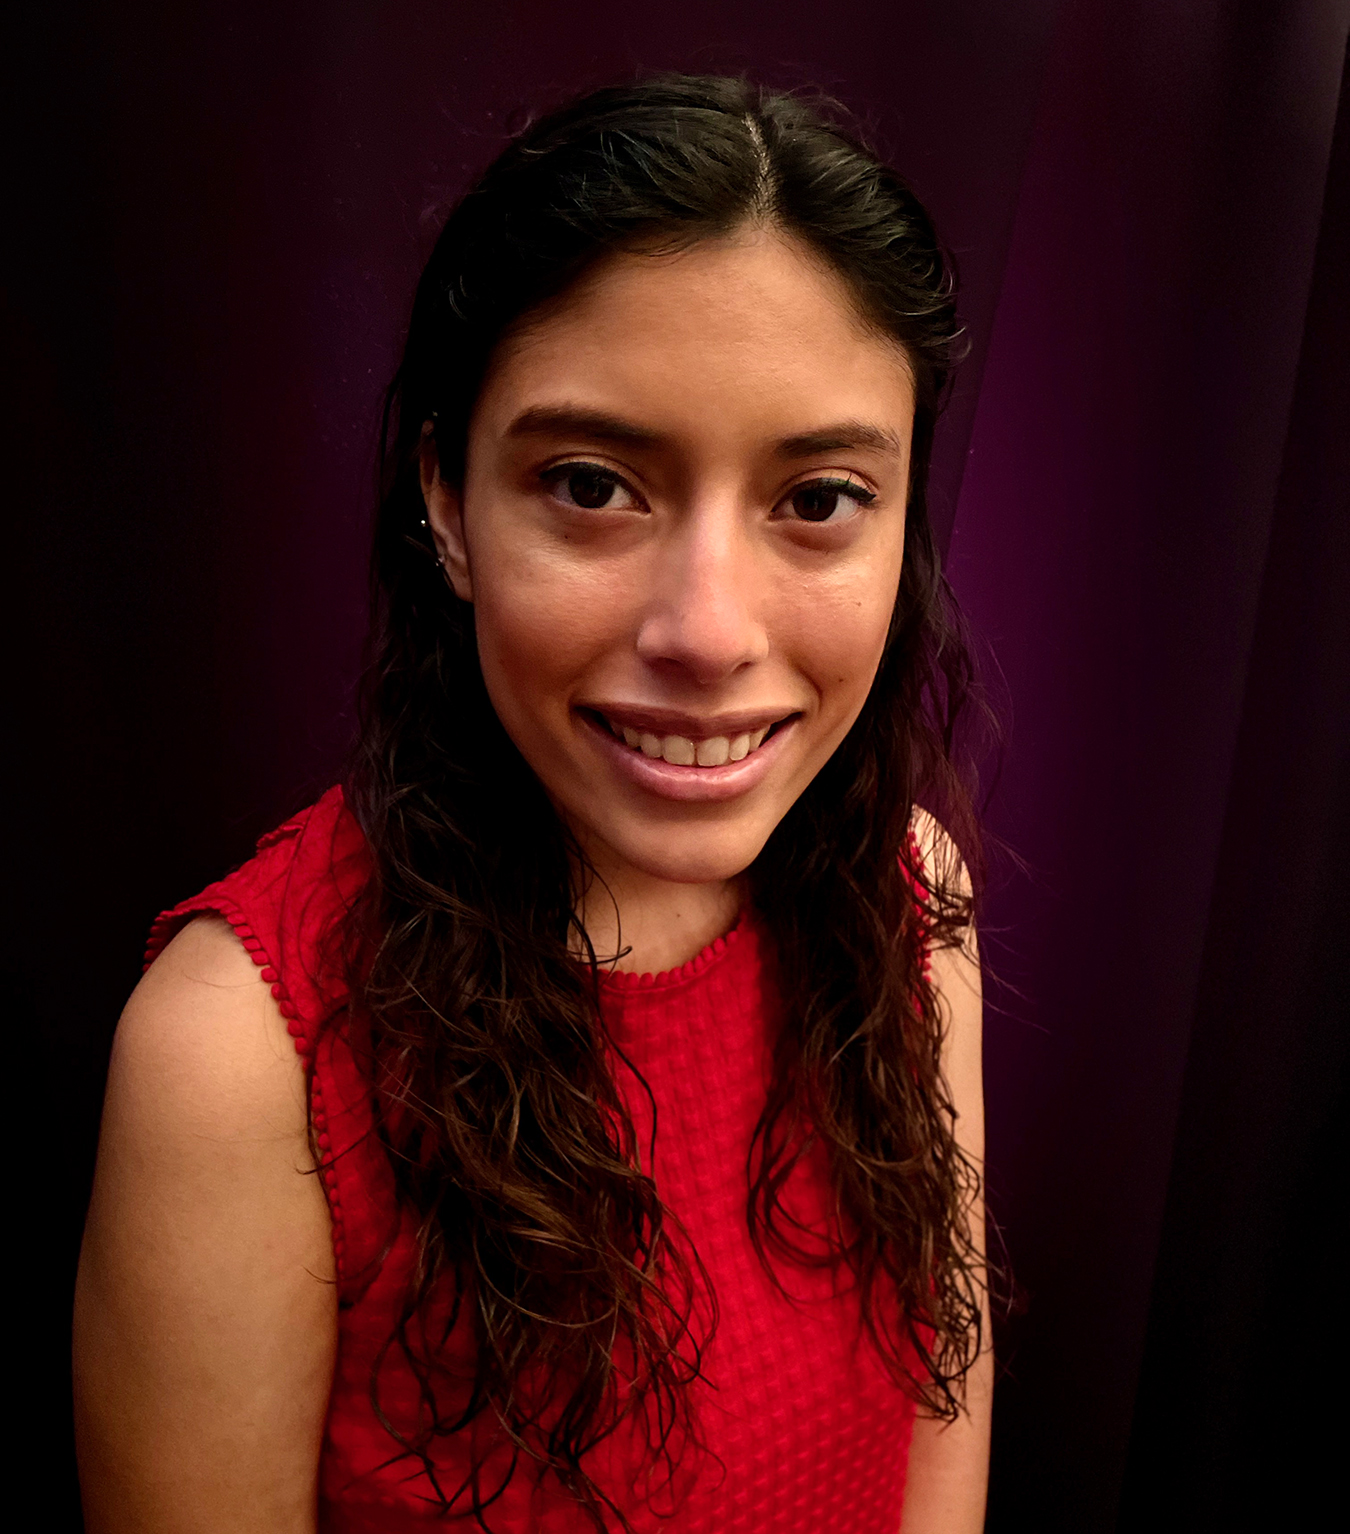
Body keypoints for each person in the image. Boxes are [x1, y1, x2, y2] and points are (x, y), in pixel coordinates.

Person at [73, 74, 991, 1533]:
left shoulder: (907, 897)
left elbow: (939, 1437)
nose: (707, 628)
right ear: (443, 494)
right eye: (588, 482)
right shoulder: (243, 1058)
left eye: (815, 498)